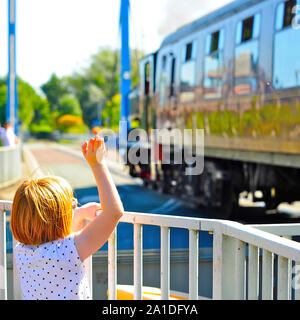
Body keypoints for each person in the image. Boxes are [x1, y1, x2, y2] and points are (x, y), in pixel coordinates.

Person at [10, 136, 124, 300]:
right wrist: (97, 164)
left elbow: (55, 236)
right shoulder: (69, 250)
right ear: (55, 217)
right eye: (69, 203)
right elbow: (113, 213)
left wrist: (79, 214)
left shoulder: (22, 250)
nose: (75, 203)